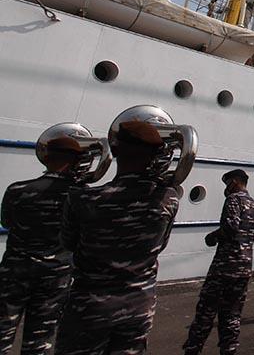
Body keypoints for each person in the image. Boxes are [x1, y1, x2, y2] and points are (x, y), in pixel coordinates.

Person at [54, 121, 180, 354]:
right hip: (139, 307)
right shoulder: (168, 200)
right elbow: (160, 245)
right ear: (155, 156)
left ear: (115, 150)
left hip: (90, 306)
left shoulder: (83, 199)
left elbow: (68, 243)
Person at [0, 135, 84, 354]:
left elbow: (6, 222)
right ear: (76, 162)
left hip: (14, 272)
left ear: (45, 158)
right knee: (39, 341)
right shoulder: (81, 196)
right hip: (55, 277)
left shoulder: (17, 190)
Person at [183, 169, 254, 355]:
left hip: (225, 267)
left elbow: (231, 227)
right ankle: (229, 350)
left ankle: (193, 349)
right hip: (243, 268)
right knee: (232, 315)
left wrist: (212, 237)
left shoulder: (234, 200)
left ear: (234, 182)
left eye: (227, 183)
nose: (226, 188)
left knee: (205, 312)